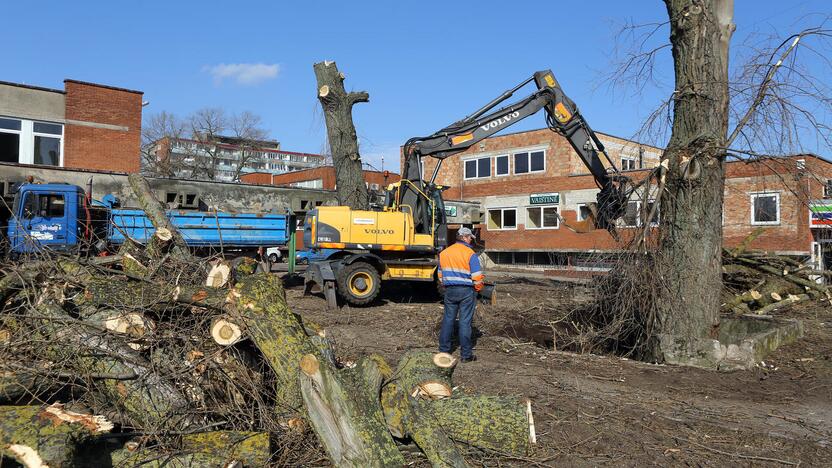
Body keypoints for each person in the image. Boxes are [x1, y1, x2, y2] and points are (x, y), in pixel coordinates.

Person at [437, 227, 484, 363]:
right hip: (466, 291)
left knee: (448, 320)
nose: (471, 240)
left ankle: (444, 351)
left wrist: (447, 285)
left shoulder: (444, 253)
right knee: (465, 322)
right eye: (470, 237)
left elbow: (440, 274)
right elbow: (477, 277)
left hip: (450, 290)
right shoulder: (470, 253)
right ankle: (466, 355)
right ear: (464, 237)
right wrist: (478, 289)